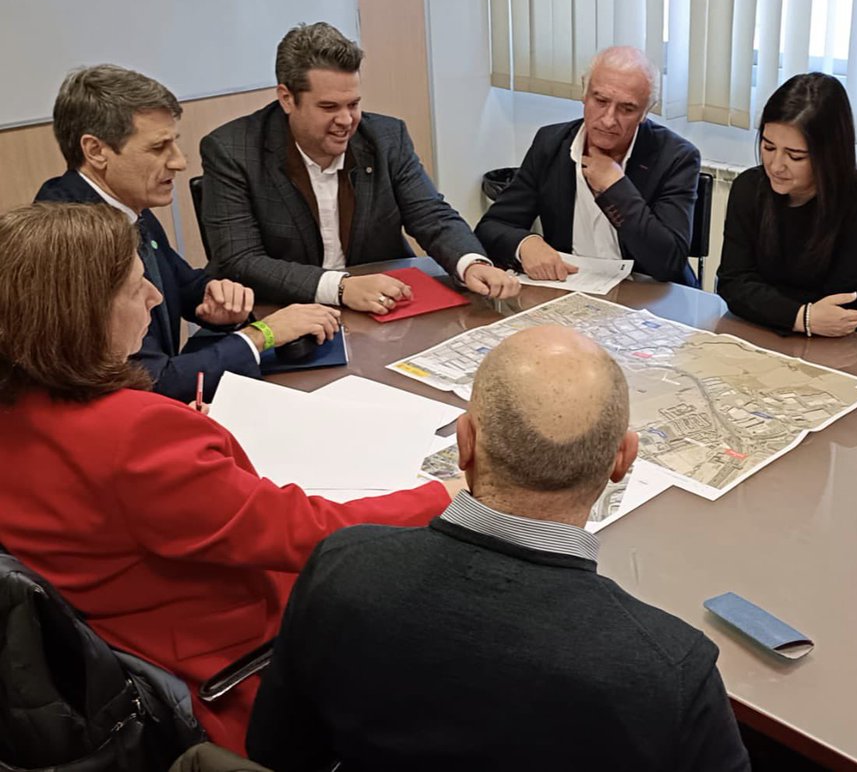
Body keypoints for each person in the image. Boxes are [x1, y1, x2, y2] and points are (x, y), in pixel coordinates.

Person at [0, 202, 456, 752]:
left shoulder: (26, 410)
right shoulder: (133, 435)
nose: (157, 297)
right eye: (135, 287)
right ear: (79, 312)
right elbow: (302, 532)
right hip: (228, 676)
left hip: (118, 653)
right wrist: (441, 496)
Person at [246, 325, 750, 771]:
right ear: (623, 459)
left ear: (464, 443)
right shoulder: (669, 668)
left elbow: (276, 750)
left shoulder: (343, 566)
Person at [36, 65, 338, 403]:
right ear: (96, 151)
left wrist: (219, 298)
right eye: (158, 148)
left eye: (174, 144)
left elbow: (184, 284)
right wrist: (263, 334)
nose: (179, 162)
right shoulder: (76, 241)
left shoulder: (124, 204)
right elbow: (150, 381)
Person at [199, 22, 518, 308]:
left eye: (353, 105)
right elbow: (239, 259)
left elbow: (431, 215)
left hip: (386, 304)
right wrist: (341, 288)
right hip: (286, 309)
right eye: (328, 107)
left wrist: (472, 264)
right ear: (286, 98)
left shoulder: (386, 138)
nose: (346, 120)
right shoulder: (232, 151)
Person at [475, 46, 701, 285]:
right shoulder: (551, 144)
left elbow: (668, 263)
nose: (608, 119)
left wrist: (616, 188)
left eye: (627, 108)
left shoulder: (676, 157)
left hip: (647, 294)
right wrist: (525, 244)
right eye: (601, 101)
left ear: (646, 111)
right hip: (571, 285)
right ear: (584, 93)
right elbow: (492, 227)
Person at [716, 73, 857, 341]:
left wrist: (765, 301)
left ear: (830, 155)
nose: (775, 165)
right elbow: (732, 283)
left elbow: (841, 310)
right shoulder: (750, 188)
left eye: (795, 156)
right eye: (768, 147)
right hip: (775, 337)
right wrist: (802, 316)